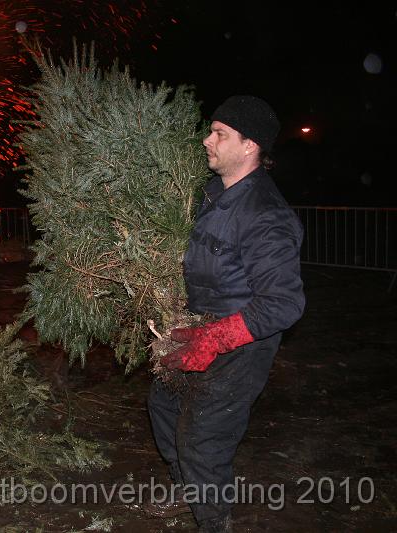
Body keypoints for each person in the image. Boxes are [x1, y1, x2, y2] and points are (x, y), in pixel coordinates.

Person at [145, 95, 305, 532]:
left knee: (203, 438)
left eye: (220, 133)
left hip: (241, 342)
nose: (207, 140)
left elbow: (284, 303)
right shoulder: (214, 195)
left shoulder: (265, 215)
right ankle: (187, 490)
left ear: (250, 145)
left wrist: (216, 338)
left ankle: (214, 521)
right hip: (200, 327)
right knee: (163, 406)